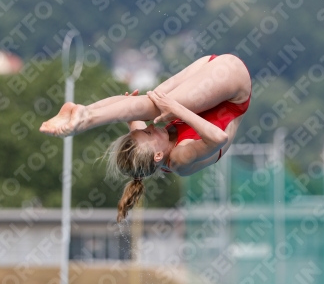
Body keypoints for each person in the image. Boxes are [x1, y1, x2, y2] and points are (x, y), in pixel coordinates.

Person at [40, 54, 251, 221]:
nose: (150, 127)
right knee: (155, 106)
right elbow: (219, 138)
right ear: (158, 155)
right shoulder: (179, 159)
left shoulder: (153, 147)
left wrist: (129, 106)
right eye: (148, 132)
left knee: (149, 103)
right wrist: (175, 108)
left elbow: (126, 110)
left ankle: (82, 111)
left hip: (210, 66)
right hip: (233, 84)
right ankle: (84, 119)